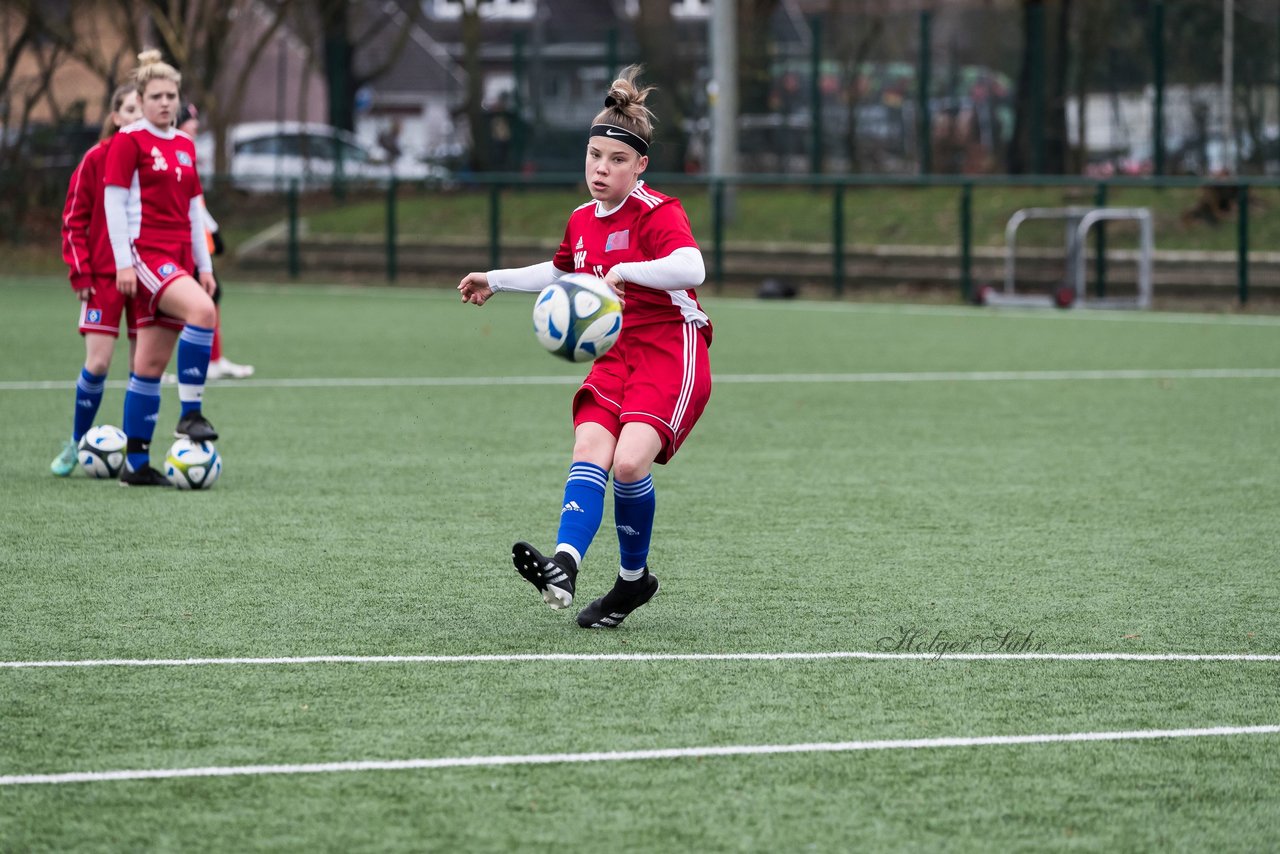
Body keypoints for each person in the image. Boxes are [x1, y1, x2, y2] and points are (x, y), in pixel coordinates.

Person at [458, 66, 712, 629]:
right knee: (590, 449)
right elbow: (559, 270)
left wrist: (630, 270)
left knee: (627, 464)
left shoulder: (658, 211)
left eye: (616, 160)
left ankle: (630, 582)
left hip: (672, 350)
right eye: (594, 155)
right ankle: (565, 566)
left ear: (640, 165)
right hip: (616, 354)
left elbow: (693, 265)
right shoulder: (581, 220)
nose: (602, 168)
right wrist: (494, 279)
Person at [103, 49, 220, 487]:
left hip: (180, 259)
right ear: (140, 97)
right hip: (147, 256)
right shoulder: (128, 142)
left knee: (148, 367)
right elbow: (114, 204)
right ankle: (189, 416)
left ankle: (135, 466)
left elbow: (194, 212)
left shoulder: (186, 146)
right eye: (156, 96)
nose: (166, 103)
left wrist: (204, 266)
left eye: (172, 95)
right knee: (204, 314)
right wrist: (121, 263)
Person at [49, 83, 143, 476]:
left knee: (144, 368)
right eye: (131, 109)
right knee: (99, 363)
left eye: (144, 108)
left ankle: (136, 453)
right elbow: (74, 219)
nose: (138, 116)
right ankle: (77, 441)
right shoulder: (96, 158)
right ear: (115, 116)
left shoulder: (156, 160)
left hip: (149, 278)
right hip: (103, 276)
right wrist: (80, 271)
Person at [176, 102, 255, 381]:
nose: (195, 125)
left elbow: (195, 198)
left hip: (194, 235)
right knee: (180, 302)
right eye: (189, 120)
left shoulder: (186, 150)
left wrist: (212, 229)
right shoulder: (173, 150)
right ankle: (161, 366)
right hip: (175, 238)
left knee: (210, 294)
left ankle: (213, 358)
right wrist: (213, 228)